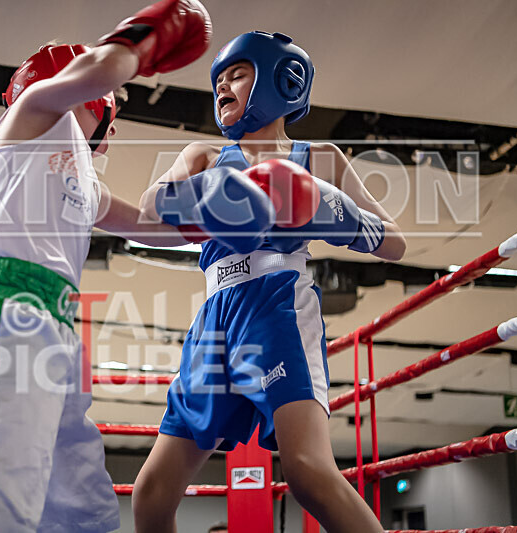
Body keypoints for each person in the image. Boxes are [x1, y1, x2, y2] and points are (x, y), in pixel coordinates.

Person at [0, 1, 218, 532]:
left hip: (58, 332)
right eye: (112, 108)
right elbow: (98, 72)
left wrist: (225, 213)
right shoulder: (28, 118)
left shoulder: (85, 182)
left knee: (81, 513)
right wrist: (142, 42)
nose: (113, 124)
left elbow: (147, 223)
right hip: (4, 314)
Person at [134, 32, 406, 533]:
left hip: (277, 306)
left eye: (236, 74)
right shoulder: (204, 156)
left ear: (283, 81)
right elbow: (152, 209)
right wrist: (208, 196)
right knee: (150, 495)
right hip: (215, 319)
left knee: (307, 471)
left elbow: (396, 242)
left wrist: (328, 206)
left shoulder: (318, 156)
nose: (222, 87)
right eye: (217, 80)